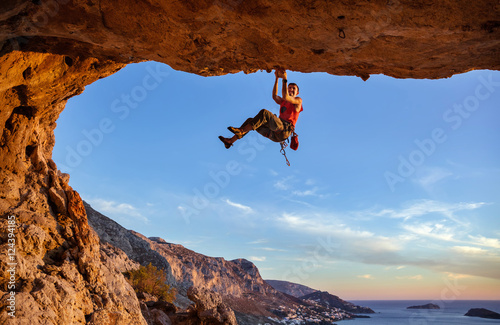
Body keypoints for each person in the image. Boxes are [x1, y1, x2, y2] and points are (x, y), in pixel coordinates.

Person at [219, 68, 303, 148]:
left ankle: (241, 131)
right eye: (289, 88)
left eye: (293, 88)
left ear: (297, 92)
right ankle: (230, 142)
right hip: (274, 133)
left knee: (265, 113)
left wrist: (284, 79)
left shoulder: (298, 101)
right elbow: (274, 96)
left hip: (283, 130)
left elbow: (285, 96)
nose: (291, 89)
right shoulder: (283, 101)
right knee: (250, 121)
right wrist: (277, 78)